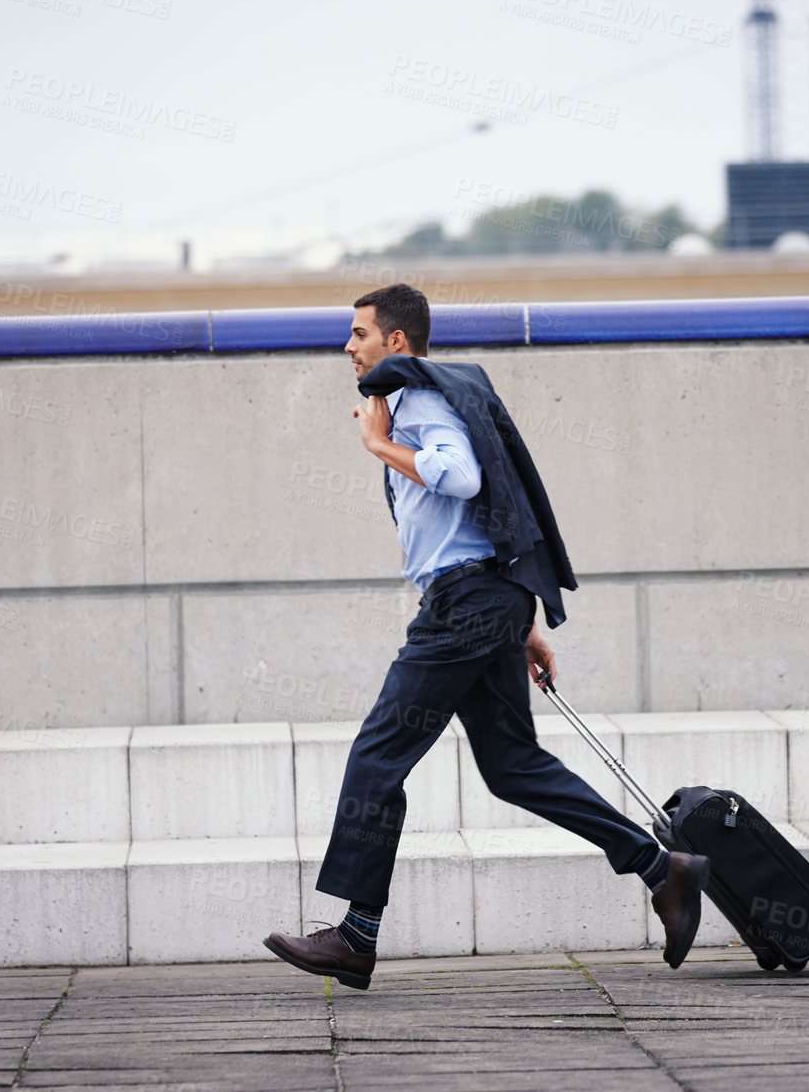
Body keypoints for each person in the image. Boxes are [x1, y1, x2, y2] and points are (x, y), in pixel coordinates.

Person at [263, 283, 708, 991]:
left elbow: (463, 477)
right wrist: (519, 619)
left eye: (360, 334)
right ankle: (665, 869)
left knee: (378, 757)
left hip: (464, 606)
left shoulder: (422, 402)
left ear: (397, 341)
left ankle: (356, 936)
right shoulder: (414, 400)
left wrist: (379, 446)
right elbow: (476, 518)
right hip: (483, 601)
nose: (348, 346)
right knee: (512, 767)